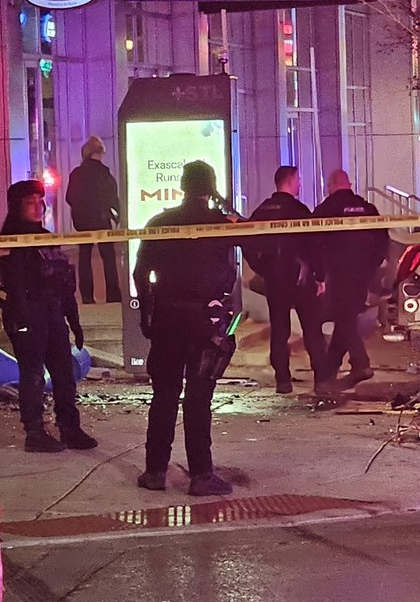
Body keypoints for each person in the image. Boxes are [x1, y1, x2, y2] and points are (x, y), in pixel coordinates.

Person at [132, 161, 240, 496]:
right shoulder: (222, 224)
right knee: (198, 398)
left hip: (167, 318)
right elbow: (255, 239)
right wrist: (226, 208)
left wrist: (148, 313)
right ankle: (202, 475)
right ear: (211, 188)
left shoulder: (159, 222)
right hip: (205, 321)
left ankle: (155, 471)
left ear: (182, 186)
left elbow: (140, 273)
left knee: (164, 395)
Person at [1, 180, 98, 453]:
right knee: (33, 375)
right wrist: (21, 319)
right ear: (17, 207)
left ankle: (69, 427)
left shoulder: (46, 237)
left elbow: (64, 282)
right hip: (27, 315)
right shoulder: (9, 240)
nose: (37, 207)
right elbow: (13, 284)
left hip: (52, 313)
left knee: (64, 373)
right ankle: (34, 432)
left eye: (39, 202)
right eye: (29, 202)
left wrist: (73, 320)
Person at [244, 166, 328, 394]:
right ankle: (321, 379)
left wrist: (262, 268)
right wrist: (319, 276)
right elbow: (314, 246)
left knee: (279, 330)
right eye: (298, 178)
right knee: (312, 329)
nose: (300, 182)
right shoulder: (300, 211)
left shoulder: (262, 211)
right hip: (301, 279)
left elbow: (247, 243)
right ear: (289, 181)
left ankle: (282, 380)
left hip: (275, 280)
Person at [313, 170, 387, 393]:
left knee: (343, 316)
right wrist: (371, 267)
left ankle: (360, 362)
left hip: (337, 273)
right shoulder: (367, 208)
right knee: (346, 318)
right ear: (350, 184)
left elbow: (314, 242)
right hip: (362, 273)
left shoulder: (326, 209)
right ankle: (327, 375)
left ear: (330, 186)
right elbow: (382, 241)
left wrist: (319, 275)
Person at [65, 136, 121, 304]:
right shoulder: (104, 173)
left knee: (84, 256)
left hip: (82, 222)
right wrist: (115, 216)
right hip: (102, 220)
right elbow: (112, 197)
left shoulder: (76, 174)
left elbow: (69, 197)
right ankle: (112, 294)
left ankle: (87, 295)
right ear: (99, 152)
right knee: (108, 257)